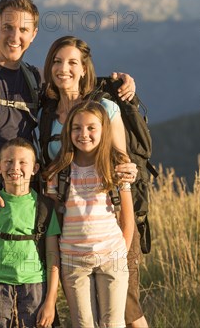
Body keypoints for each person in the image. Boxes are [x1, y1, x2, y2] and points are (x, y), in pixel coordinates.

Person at [0, 0, 138, 327]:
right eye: (7, 27)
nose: (15, 36)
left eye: (23, 29)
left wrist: (118, 86)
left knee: (33, 305)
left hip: (30, 206)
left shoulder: (33, 79)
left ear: (34, 34)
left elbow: (73, 89)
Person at [39, 36, 148, 327]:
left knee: (127, 310)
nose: (64, 69)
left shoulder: (105, 107)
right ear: (48, 67)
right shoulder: (45, 112)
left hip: (111, 222)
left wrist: (129, 173)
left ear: (85, 68)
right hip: (71, 229)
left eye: (73, 62)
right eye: (57, 61)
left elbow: (121, 163)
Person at [44, 101, 135, 328]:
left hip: (112, 256)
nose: (83, 134)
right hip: (73, 260)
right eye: (77, 128)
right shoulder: (59, 172)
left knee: (113, 323)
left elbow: (127, 216)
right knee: (83, 324)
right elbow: (54, 220)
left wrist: (121, 251)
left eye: (91, 128)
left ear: (104, 130)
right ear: (68, 131)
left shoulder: (115, 167)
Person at [0, 138, 60, 328]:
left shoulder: (44, 207)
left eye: (22, 162)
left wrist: (50, 302)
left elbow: (53, 256)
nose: (15, 167)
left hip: (34, 287)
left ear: (34, 168)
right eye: (8, 162)